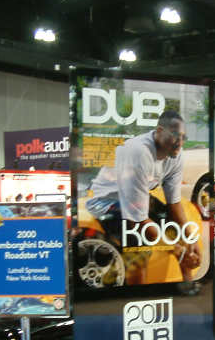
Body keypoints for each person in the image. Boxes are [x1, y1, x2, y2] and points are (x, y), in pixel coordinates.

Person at [85, 109, 201, 276]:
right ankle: (138, 290)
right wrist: (175, 249)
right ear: (159, 131)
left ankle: (187, 286)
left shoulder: (176, 154)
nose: (180, 142)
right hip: (106, 201)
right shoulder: (139, 152)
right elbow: (137, 221)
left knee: (178, 233)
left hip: (135, 197)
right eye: (175, 135)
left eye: (184, 137)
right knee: (139, 246)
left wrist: (190, 240)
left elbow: (174, 202)